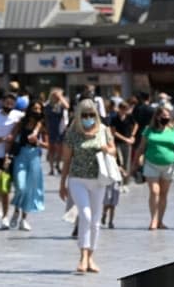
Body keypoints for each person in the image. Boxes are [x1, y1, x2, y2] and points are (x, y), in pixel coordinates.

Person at [59, 98, 116, 273]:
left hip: (99, 179)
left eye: (92, 114)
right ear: (79, 115)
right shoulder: (72, 133)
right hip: (77, 179)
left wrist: (106, 148)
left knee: (96, 219)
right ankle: (82, 256)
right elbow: (67, 159)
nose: (88, 118)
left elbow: (113, 149)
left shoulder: (104, 130)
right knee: (85, 215)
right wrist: (62, 183)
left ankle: (91, 257)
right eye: (85, 115)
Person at [133, 106, 174, 230]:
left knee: (163, 194)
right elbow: (141, 147)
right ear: (157, 117)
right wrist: (135, 162)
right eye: (163, 117)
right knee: (154, 191)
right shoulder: (149, 130)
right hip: (151, 164)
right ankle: (154, 220)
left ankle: (161, 220)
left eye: (167, 116)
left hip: (169, 166)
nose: (165, 119)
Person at [0, 93, 24, 229]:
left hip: (10, 157)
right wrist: (2, 140)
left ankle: (6, 216)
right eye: (6, 103)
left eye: (11, 104)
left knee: (6, 188)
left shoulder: (19, 116)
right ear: (2, 102)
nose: (8, 106)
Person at [9, 100, 49, 231]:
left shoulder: (42, 125)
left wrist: (37, 141)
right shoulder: (21, 123)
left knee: (30, 188)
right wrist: (7, 155)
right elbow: (11, 138)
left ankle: (24, 219)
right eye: (34, 108)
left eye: (39, 109)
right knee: (20, 186)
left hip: (34, 156)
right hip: (20, 155)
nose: (36, 111)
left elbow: (49, 145)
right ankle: (16, 211)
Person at [111, 101, 137, 185]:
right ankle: (119, 180)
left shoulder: (130, 117)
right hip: (118, 142)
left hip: (127, 143)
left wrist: (132, 135)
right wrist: (125, 139)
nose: (124, 111)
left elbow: (136, 125)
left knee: (127, 162)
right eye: (123, 109)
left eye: (126, 109)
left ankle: (126, 182)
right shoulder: (115, 118)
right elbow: (113, 131)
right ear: (119, 109)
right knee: (119, 161)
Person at [45, 88, 69, 175]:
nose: (57, 97)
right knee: (51, 149)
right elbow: (46, 118)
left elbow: (67, 106)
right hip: (52, 128)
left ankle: (58, 165)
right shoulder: (48, 105)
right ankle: (51, 169)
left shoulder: (61, 105)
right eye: (55, 96)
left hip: (61, 128)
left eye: (58, 95)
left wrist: (61, 98)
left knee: (60, 149)